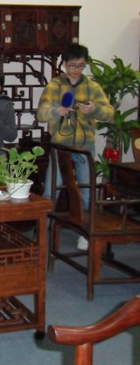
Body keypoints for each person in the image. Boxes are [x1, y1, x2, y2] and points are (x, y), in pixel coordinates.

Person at [37, 43, 114, 249]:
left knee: (86, 189)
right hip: (59, 147)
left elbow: (110, 114)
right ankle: (43, 231)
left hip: (84, 146)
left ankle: (85, 233)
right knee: (50, 189)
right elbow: (41, 114)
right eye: (72, 65)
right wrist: (57, 111)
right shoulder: (54, 85)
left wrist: (94, 110)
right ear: (64, 64)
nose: (76, 70)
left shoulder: (92, 87)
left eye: (80, 66)